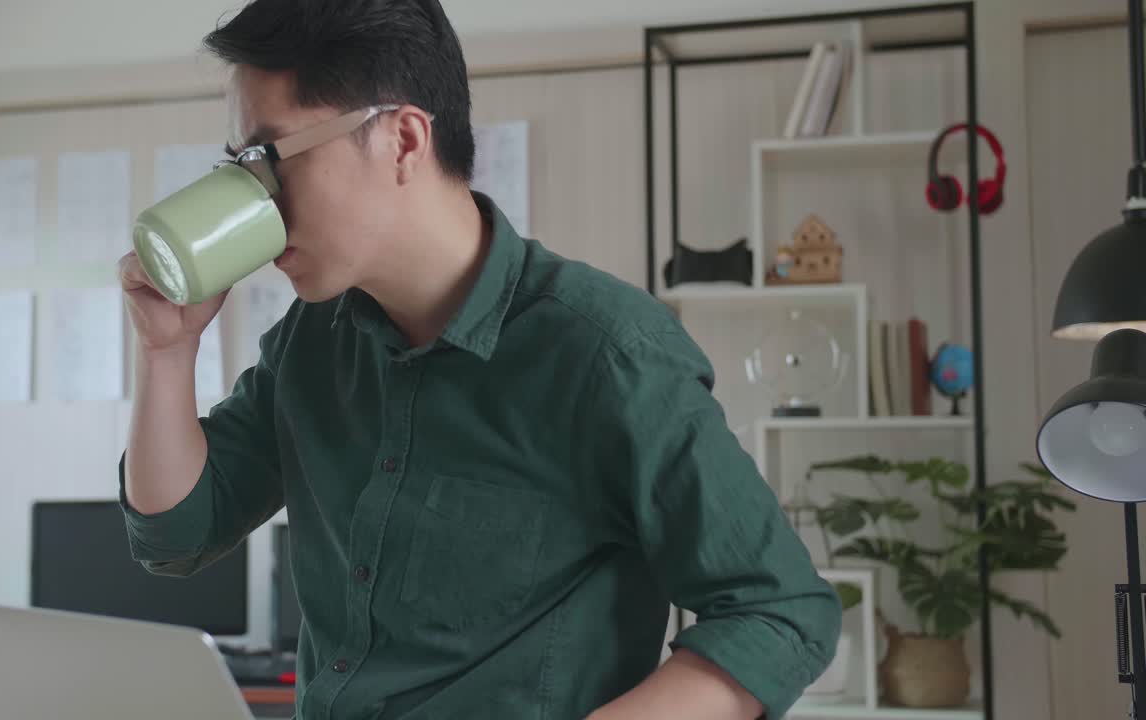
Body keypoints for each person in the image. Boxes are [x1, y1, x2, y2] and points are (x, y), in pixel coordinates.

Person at [116, 1, 841, 718]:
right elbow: (177, 536)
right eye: (239, 165)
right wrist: (168, 352)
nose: (257, 197)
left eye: (269, 159)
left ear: (402, 140)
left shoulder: (606, 352)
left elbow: (777, 613)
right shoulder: (313, 340)